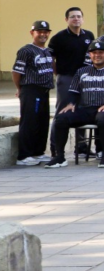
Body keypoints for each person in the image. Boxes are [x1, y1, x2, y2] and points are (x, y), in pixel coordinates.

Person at [45, 40, 104, 168]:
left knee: (103, 118)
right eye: (94, 53)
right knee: (61, 118)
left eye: (100, 52)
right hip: (84, 109)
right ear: (90, 55)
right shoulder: (81, 72)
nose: (97, 55)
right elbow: (73, 91)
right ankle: (59, 156)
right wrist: (71, 103)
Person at [13, 21, 54, 166]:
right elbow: (17, 72)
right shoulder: (26, 51)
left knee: (42, 122)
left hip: (44, 91)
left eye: (45, 31)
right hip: (31, 90)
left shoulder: (48, 51)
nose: (43, 34)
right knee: (30, 121)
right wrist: (20, 89)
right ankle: (24, 155)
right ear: (32, 33)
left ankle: (38, 152)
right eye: (39, 31)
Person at [48, 7, 94, 111]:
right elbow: (51, 59)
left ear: (83, 19)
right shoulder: (58, 38)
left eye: (79, 16)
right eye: (72, 16)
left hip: (85, 78)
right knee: (63, 107)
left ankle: (80, 128)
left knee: (82, 107)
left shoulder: (89, 35)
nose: (76, 19)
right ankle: (58, 127)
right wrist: (59, 74)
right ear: (66, 19)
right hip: (67, 77)